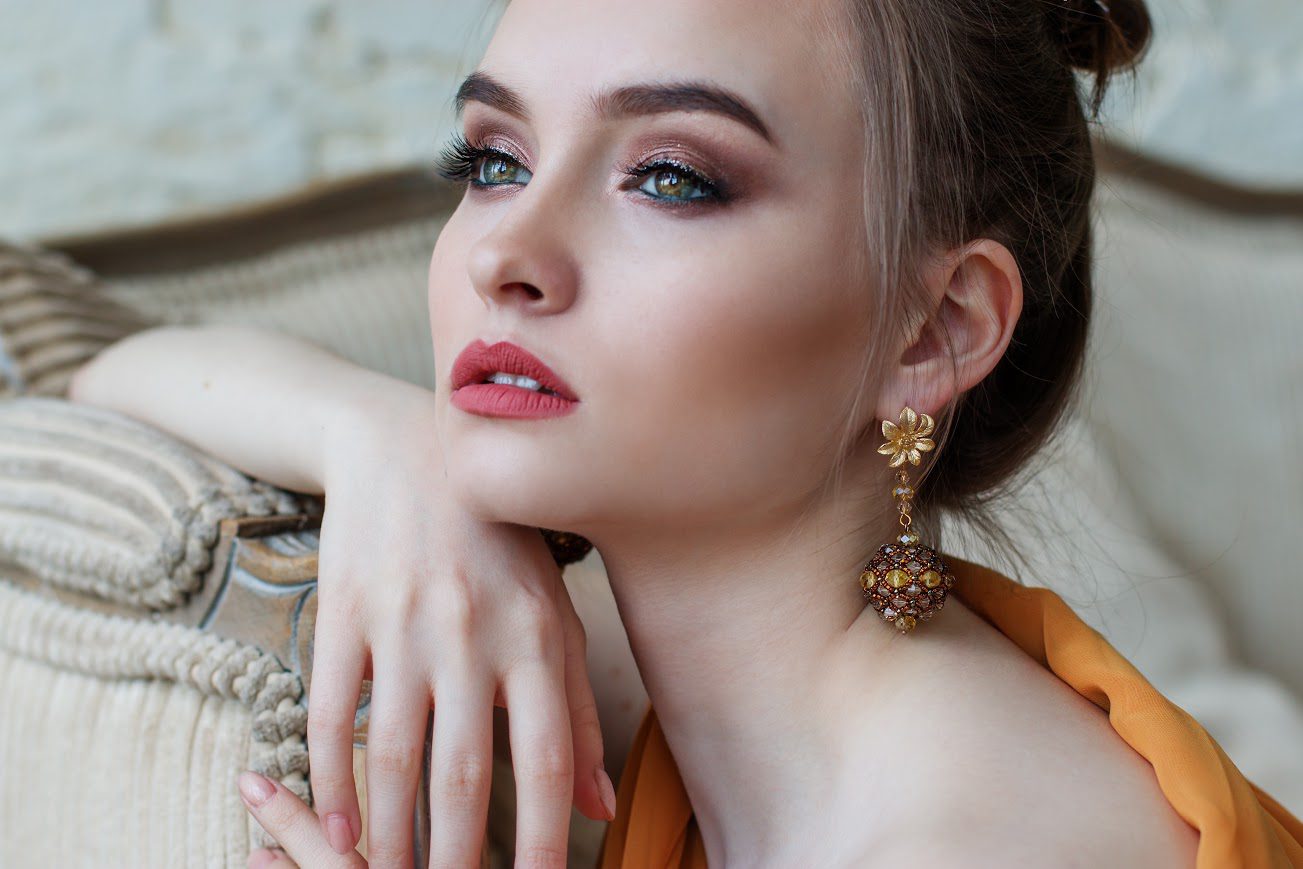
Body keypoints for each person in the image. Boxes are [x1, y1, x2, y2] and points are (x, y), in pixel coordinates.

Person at [67, 0, 1303, 865]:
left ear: (931, 329)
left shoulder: (976, 838)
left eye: (673, 177)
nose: (504, 252)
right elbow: (75, 365)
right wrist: (378, 441)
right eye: (493, 157)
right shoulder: (673, 685)